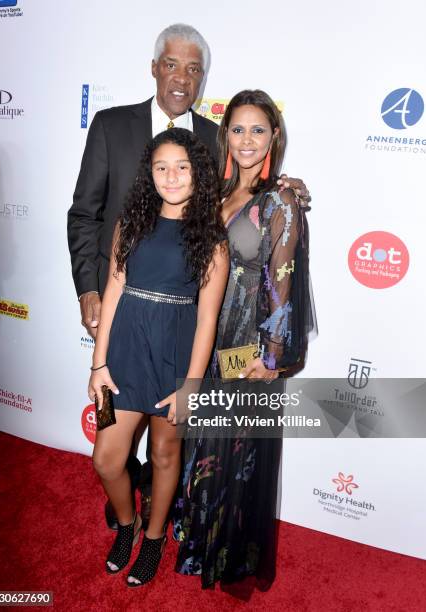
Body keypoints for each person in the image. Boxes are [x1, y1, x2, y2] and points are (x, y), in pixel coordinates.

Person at [68, 22, 310, 530]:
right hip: (126, 313)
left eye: (194, 68)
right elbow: (85, 214)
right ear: (155, 67)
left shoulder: (213, 140)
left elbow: (251, 199)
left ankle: (167, 521)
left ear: (203, 79)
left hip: (198, 326)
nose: (182, 76)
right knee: (117, 444)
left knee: (178, 439)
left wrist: (290, 187)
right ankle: (132, 510)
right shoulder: (111, 125)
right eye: (172, 64)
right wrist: (89, 288)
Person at [175, 90, 315, 590]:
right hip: (203, 336)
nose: (247, 140)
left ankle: (228, 559)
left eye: (259, 130)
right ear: (225, 135)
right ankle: (200, 542)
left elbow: (282, 279)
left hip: (244, 347)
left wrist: (272, 356)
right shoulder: (216, 193)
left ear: (274, 135)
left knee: (235, 453)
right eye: (238, 129)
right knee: (204, 442)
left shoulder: (280, 201)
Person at [88, 127, 229, 586]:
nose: (171, 176)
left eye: (182, 167)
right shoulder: (130, 224)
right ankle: (127, 527)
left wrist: (191, 385)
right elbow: (113, 290)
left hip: (175, 355)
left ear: (198, 174)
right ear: (149, 173)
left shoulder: (212, 239)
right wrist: (98, 363)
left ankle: (152, 539)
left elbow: (207, 319)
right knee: (108, 458)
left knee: (166, 454)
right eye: (161, 167)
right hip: (124, 355)